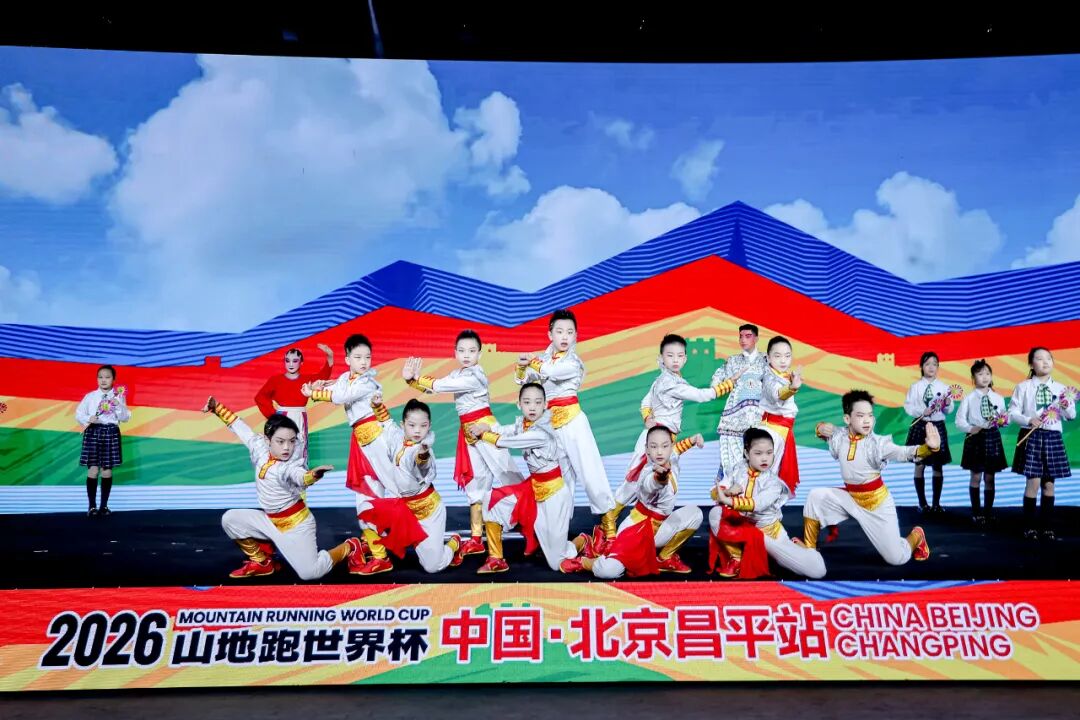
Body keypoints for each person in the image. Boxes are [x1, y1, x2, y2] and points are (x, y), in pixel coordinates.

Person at [204, 396, 363, 579]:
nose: (287, 447)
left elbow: (299, 477)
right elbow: (240, 427)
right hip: (269, 521)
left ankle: (351, 546)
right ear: (267, 440)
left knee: (310, 573)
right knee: (230, 519)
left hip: (296, 526)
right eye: (280, 441)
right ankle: (262, 562)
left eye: (292, 441)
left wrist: (313, 475)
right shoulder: (259, 447)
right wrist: (217, 407)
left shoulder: (290, 465)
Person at [404, 330, 523, 557]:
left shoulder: (475, 375)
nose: (466, 355)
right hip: (469, 432)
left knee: (511, 478)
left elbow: (440, 386)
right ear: (455, 353)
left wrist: (415, 379)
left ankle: (535, 528)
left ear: (480, 354)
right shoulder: (457, 373)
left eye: (471, 351)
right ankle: (477, 538)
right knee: (476, 486)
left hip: (486, 430)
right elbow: (436, 387)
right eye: (461, 350)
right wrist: (412, 381)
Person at [802, 390, 935, 569]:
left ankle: (917, 536)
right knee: (815, 496)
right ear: (847, 419)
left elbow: (903, 453)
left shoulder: (878, 444)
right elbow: (826, 431)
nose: (867, 421)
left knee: (896, 558)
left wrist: (928, 448)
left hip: (876, 504)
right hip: (850, 498)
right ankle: (809, 551)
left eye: (870, 415)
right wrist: (820, 428)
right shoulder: (840, 436)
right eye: (860, 416)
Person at [709, 428, 826, 579]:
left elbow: (757, 505)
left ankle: (805, 551)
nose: (764, 459)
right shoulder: (738, 469)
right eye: (758, 453)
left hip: (768, 535)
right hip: (744, 528)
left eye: (769, 453)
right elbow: (716, 492)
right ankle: (737, 558)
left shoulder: (774, 483)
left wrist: (728, 500)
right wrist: (728, 491)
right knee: (715, 513)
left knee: (817, 571)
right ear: (746, 454)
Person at [1009, 347, 1076, 540]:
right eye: (1039, 359)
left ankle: (1047, 528)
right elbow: (1013, 413)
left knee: (1049, 484)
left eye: (1048, 358)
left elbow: (1071, 416)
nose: (1045, 362)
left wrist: (1066, 406)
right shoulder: (1023, 387)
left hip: (1052, 437)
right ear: (1031, 364)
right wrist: (1029, 419)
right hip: (1032, 436)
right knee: (1033, 483)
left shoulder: (1062, 389)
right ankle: (1029, 527)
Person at [254, 344, 334, 462]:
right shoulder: (276, 380)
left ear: (301, 363)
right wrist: (273, 416)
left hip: (300, 417)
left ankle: (300, 472)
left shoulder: (306, 380)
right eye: (287, 361)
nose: (291, 364)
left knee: (300, 446)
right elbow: (260, 397)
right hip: (283, 417)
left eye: (295, 361)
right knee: (282, 446)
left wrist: (330, 356)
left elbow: (323, 376)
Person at [955, 359, 1009, 525]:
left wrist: (1002, 421)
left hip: (992, 437)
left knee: (990, 478)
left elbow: (1005, 418)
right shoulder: (969, 398)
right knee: (976, 476)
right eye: (980, 374)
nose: (984, 377)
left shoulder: (998, 398)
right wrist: (971, 428)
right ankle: (976, 512)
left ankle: (988, 512)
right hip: (975, 439)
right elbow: (959, 421)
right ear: (973, 378)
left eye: (987, 373)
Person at [75, 365, 131, 517]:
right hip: (93, 431)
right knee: (93, 469)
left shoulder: (118, 397)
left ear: (114, 379)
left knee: (107, 470)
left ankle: (104, 506)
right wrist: (89, 418)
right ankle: (92, 507)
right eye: (100, 377)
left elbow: (125, 418)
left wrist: (118, 406)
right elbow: (78, 414)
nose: (103, 380)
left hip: (110, 432)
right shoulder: (90, 396)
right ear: (97, 379)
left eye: (107, 377)